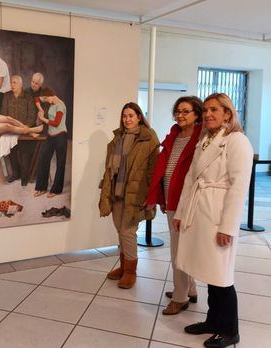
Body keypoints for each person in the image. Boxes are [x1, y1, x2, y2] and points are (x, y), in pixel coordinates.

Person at [173, 93, 253, 348]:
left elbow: (238, 188)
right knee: (207, 270)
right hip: (200, 211)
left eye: (214, 110)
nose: (208, 114)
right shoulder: (206, 139)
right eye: (205, 110)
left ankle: (230, 330)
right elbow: (190, 179)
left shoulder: (237, 141)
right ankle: (212, 320)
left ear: (228, 113)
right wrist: (181, 213)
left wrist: (228, 227)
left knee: (221, 274)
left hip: (218, 215)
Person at [146, 96, 203, 315]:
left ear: (196, 114)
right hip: (172, 200)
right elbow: (164, 169)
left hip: (187, 202)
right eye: (178, 111)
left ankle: (180, 297)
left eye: (186, 111)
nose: (180, 115)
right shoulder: (174, 136)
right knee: (182, 248)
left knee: (179, 251)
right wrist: (162, 198)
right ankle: (190, 289)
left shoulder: (200, 139)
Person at [98, 102, 159, 289]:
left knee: (128, 232)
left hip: (136, 194)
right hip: (117, 192)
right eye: (125, 115)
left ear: (139, 117)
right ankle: (124, 267)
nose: (127, 119)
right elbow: (110, 169)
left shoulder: (149, 139)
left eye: (131, 115)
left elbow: (153, 171)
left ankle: (131, 272)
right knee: (120, 230)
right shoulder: (117, 139)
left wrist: (151, 198)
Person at [1, 75, 37, 186]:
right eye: (11, 82)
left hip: (25, 129)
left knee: (24, 153)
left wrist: (26, 127)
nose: (12, 85)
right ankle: (15, 173)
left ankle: (25, 176)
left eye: (15, 82)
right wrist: (8, 126)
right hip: (11, 129)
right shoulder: (7, 96)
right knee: (11, 151)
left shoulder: (28, 96)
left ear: (21, 84)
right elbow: (3, 113)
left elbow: (32, 115)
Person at [33, 88, 68, 198]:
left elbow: (56, 123)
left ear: (51, 95)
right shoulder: (50, 99)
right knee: (43, 158)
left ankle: (56, 190)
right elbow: (37, 98)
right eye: (46, 99)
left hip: (60, 136)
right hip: (50, 136)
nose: (47, 101)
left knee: (60, 163)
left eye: (47, 99)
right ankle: (41, 187)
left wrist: (42, 118)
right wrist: (40, 109)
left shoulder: (60, 106)